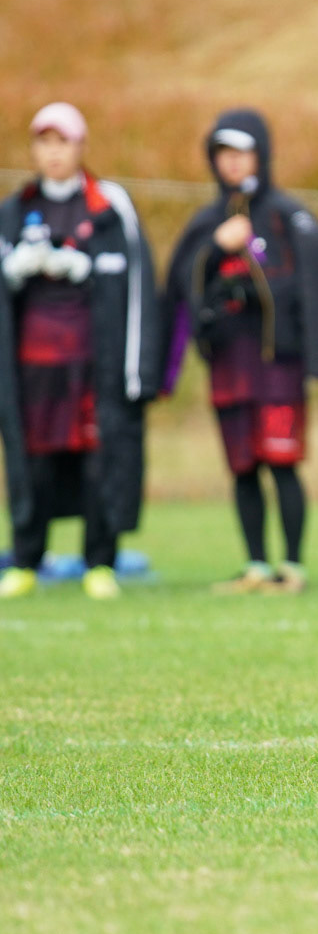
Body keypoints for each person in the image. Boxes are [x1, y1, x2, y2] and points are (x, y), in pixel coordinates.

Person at [165, 109, 318, 592]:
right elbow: (182, 283)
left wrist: (316, 354)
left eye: (241, 152)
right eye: (223, 153)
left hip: (278, 363)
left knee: (282, 463)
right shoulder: (208, 222)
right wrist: (215, 249)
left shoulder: (286, 215)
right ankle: (256, 565)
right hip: (229, 362)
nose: (232, 162)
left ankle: (293, 566)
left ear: (261, 155)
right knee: (242, 467)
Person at [0, 103, 162, 600]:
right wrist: (14, 271)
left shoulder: (107, 206)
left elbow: (138, 285)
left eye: (63, 142)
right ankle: (27, 560)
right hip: (34, 368)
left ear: (81, 146)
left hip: (93, 365)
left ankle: (100, 562)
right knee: (34, 464)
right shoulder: (15, 210)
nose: (54, 153)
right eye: (44, 143)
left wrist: (82, 269)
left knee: (99, 461)